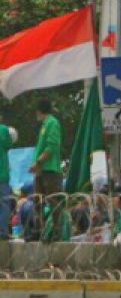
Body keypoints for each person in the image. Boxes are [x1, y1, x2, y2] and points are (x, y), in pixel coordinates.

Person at [32, 100, 64, 241]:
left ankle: (56, 232)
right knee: (37, 201)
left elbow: (51, 146)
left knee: (53, 201)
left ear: (39, 111)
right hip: (41, 170)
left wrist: (38, 161)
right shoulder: (45, 124)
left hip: (50, 169)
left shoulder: (52, 123)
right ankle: (40, 230)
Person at [0, 121, 14, 240]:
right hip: (2, 175)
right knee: (4, 204)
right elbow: (9, 144)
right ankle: (2, 232)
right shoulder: (3, 129)